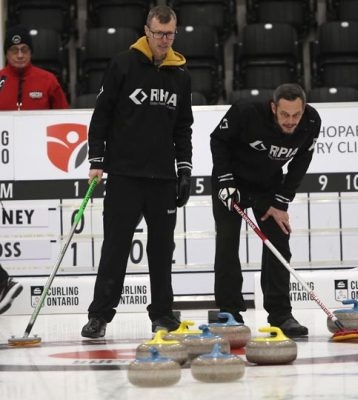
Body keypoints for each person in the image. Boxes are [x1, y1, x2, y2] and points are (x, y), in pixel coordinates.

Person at [81, 5, 193, 338]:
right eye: (159, 33)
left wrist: (184, 169)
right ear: (147, 30)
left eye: (170, 34)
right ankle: (99, 316)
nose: (164, 40)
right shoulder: (122, 64)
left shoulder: (181, 74)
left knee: (162, 250)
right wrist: (97, 159)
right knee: (115, 247)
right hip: (125, 175)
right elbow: (102, 115)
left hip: (162, 178)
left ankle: (162, 315)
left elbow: (183, 127)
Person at [210, 83, 321, 337]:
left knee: (278, 240)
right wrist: (226, 181)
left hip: (267, 185)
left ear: (303, 110)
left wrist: (281, 202)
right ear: (274, 108)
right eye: (285, 114)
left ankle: (281, 314)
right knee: (227, 242)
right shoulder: (246, 112)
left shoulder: (312, 121)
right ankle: (230, 313)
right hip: (231, 182)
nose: (291, 121)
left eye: (296, 115)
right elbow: (217, 140)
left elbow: (301, 162)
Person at [0, 25, 69, 110]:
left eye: (24, 50)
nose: (20, 55)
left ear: (31, 52)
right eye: (14, 51)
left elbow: (64, 114)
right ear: (6, 54)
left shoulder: (48, 80)